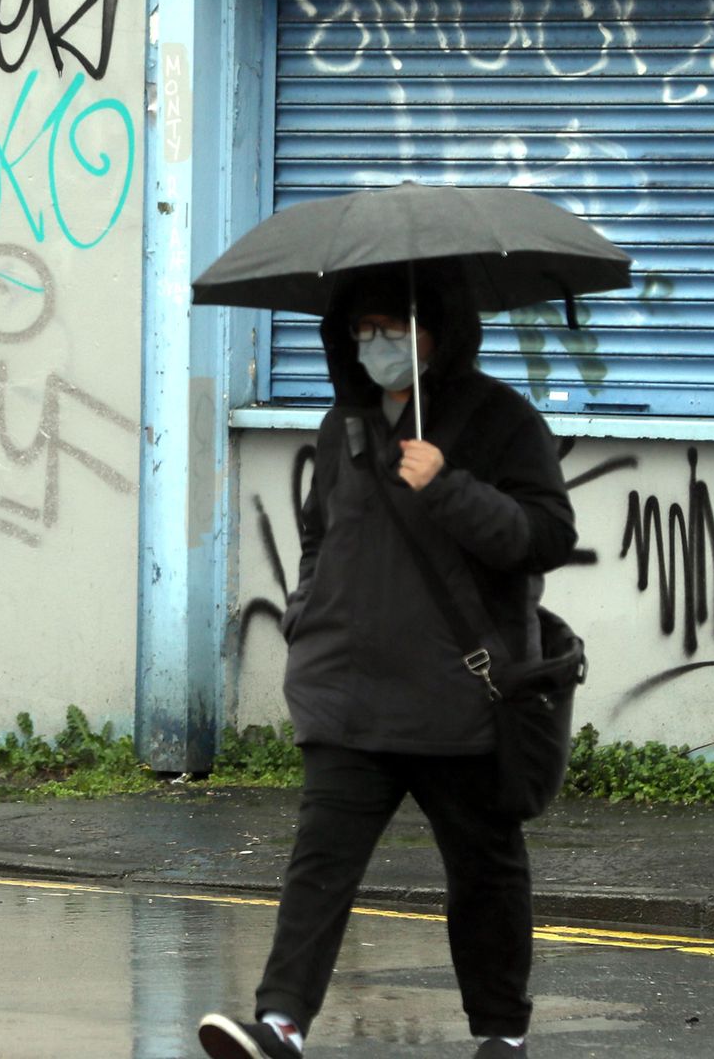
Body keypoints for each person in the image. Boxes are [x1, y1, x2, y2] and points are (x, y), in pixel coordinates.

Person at [197, 261, 578, 1059]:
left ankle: (501, 1033)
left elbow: (544, 537)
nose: (377, 346)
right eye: (362, 332)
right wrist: (308, 615)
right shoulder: (348, 423)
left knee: (485, 876)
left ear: (441, 333)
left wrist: (449, 486)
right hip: (349, 696)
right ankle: (279, 1025)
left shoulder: (501, 419)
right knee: (319, 868)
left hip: (462, 702)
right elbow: (318, 532)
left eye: (393, 331)